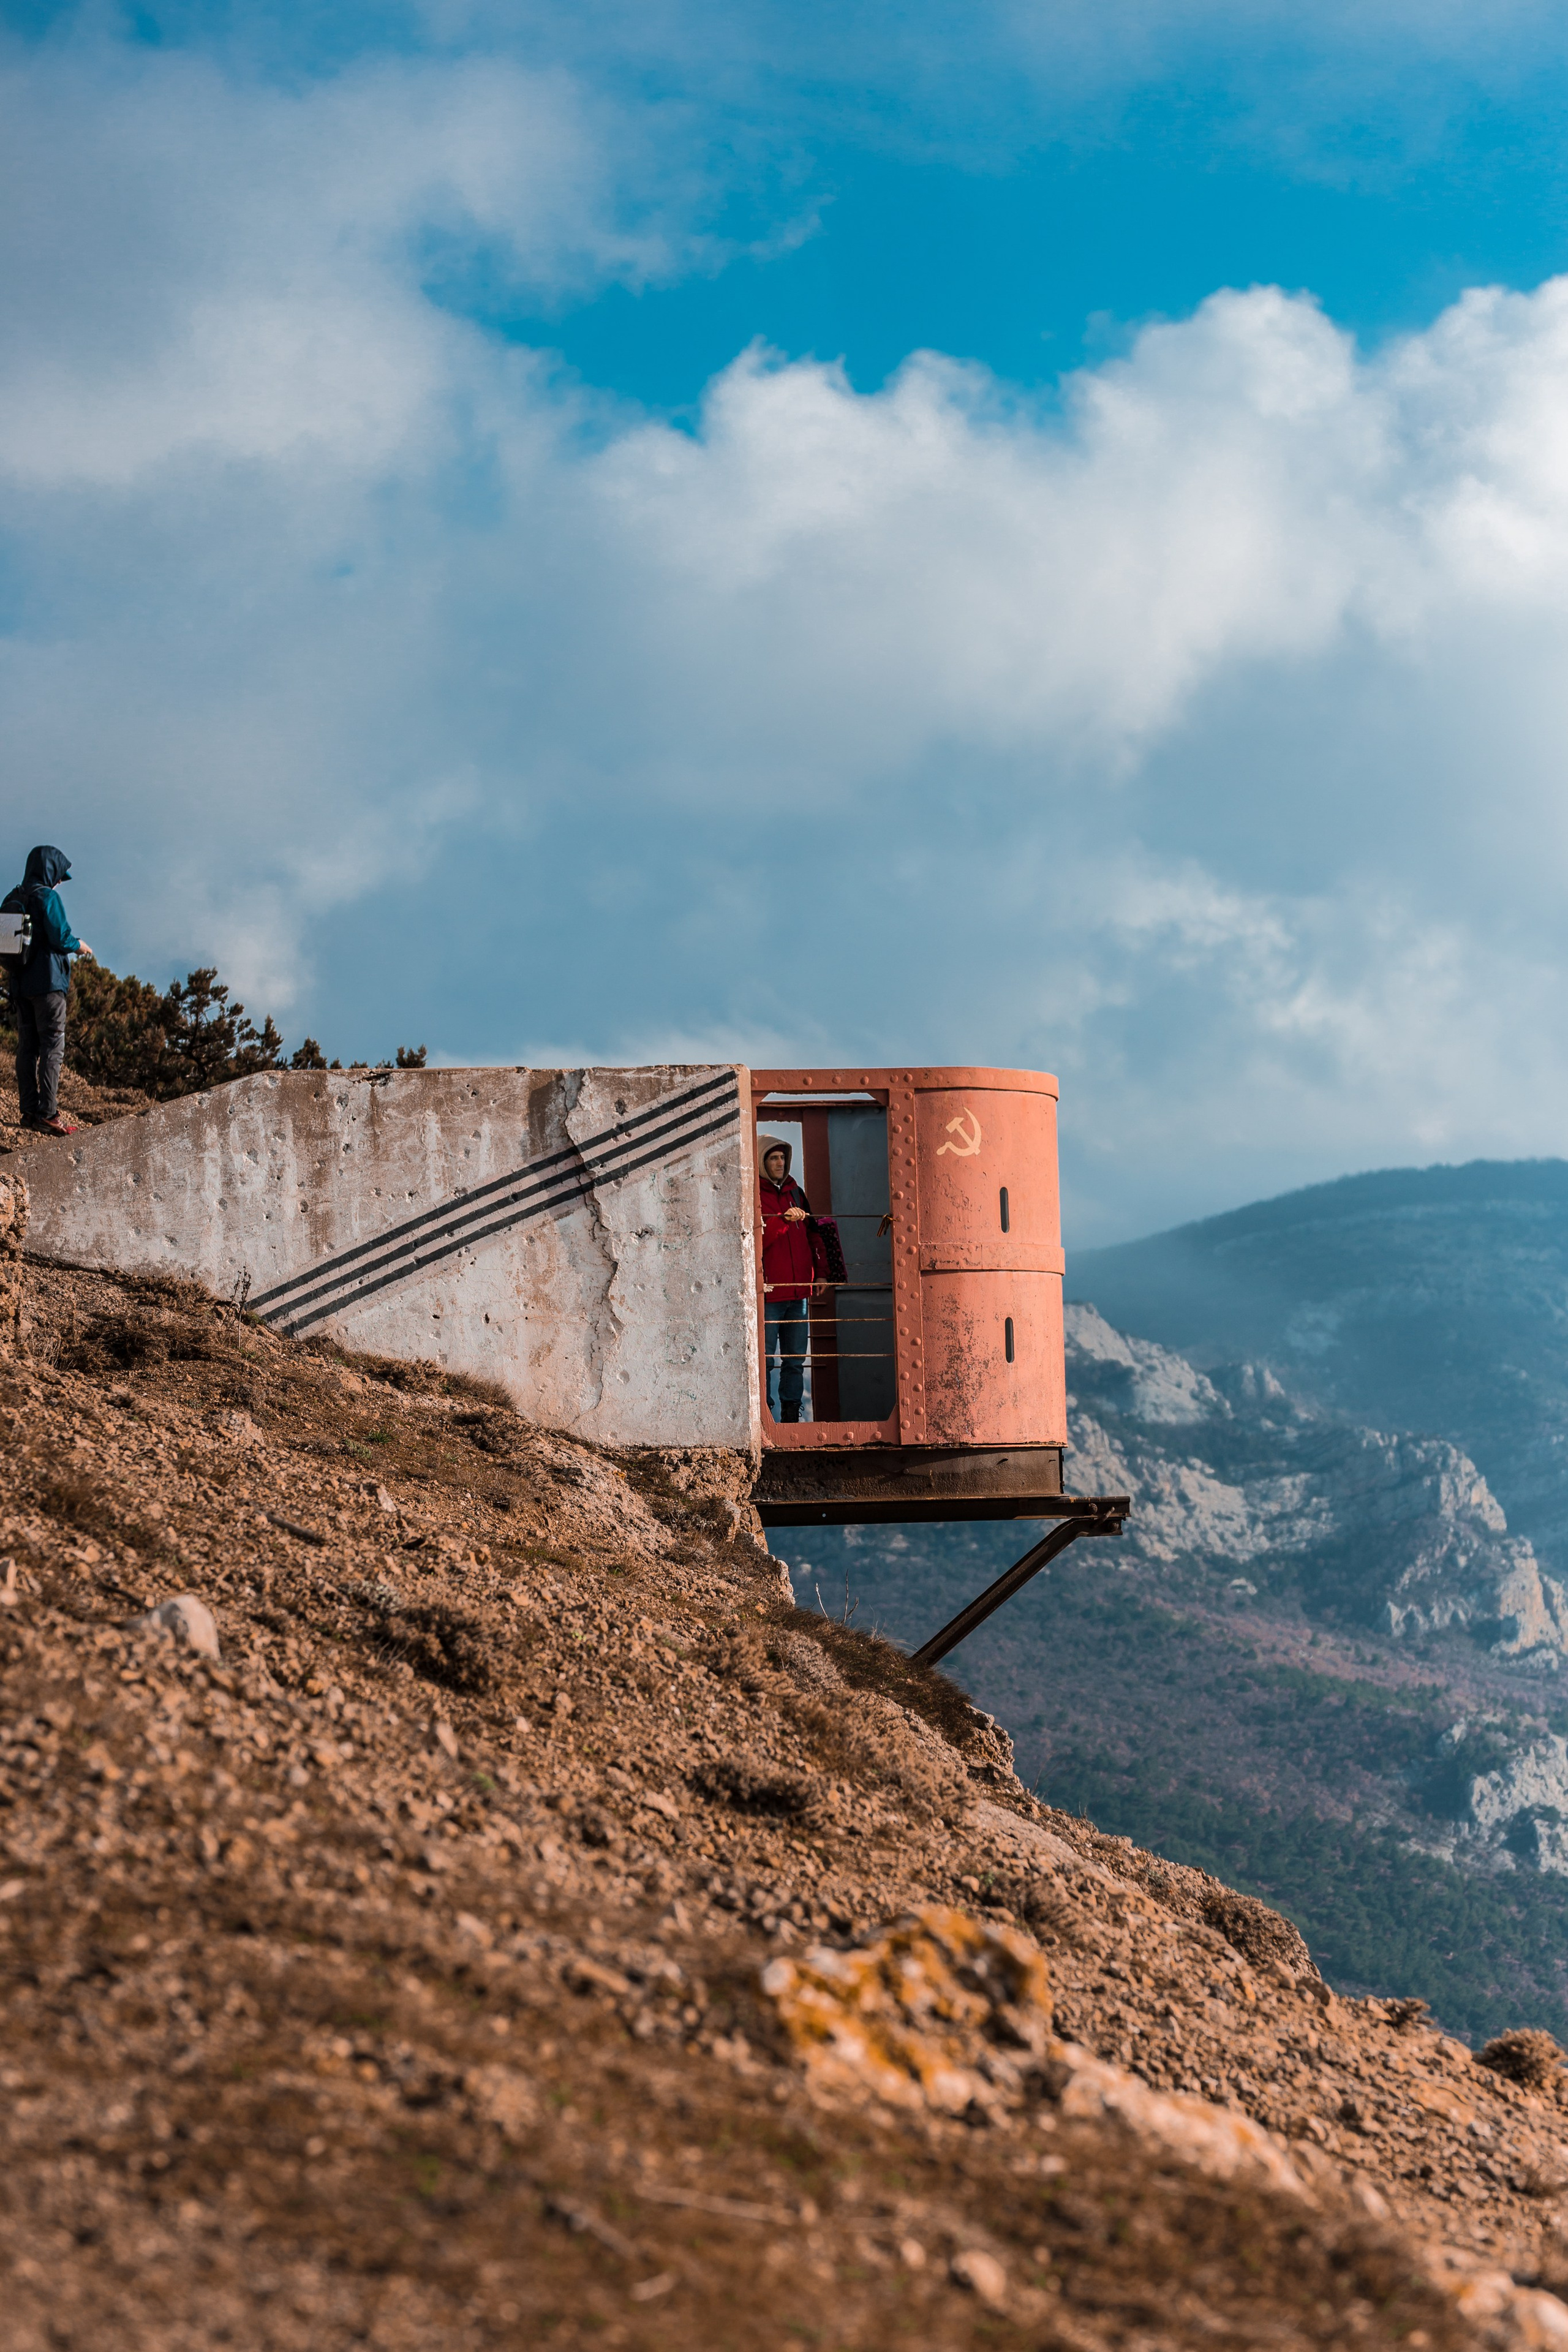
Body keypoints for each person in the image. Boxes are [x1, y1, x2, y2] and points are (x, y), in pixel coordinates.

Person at [3, 846, 92, 1137]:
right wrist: (79, 946)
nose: (59, 883)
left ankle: (30, 1111)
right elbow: (60, 936)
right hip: (49, 985)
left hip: (20, 985)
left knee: (27, 1048)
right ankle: (48, 1114)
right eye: (59, 876)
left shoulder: (13, 898)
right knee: (52, 1046)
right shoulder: (47, 897)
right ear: (50, 871)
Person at [759, 1138, 827, 1422]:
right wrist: (782, 1221)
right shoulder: (753, 1194)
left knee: (796, 1360)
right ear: (762, 1162)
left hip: (799, 1293)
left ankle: (791, 1416)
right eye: (773, 1158)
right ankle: (764, 1415)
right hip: (769, 1294)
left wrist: (821, 1272)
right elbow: (754, 1240)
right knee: (765, 1360)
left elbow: (814, 1235)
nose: (780, 1163)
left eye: (783, 1158)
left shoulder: (796, 1193)